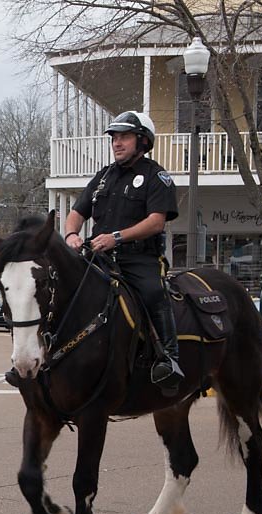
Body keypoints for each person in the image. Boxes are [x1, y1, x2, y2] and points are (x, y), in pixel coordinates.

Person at [62, 110, 182, 392]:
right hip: (98, 257)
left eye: (124, 137)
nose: (117, 142)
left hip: (138, 259)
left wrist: (117, 237)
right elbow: (77, 213)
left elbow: (156, 222)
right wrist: (71, 235)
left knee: (153, 292)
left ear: (142, 141)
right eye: (114, 137)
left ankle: (169, 359)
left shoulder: (157, 176)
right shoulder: (103, 177)